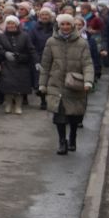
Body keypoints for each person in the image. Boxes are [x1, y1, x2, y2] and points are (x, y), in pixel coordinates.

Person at [40, 13, 95, 154]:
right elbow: (45, 64)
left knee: (74, 116)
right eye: (62, 24)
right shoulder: (51, 42)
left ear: (72, 26)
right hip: (56, 83)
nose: (65, 27)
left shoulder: (82, 43)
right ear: (58, 26)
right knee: (59, 116)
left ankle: (72, 136)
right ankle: (62, 141)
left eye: (68, 24)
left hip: (75, 84)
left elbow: (87, 64)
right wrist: (42, 84)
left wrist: (88, 80)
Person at [0, 15, 35, 114]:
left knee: (20, 87)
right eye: (8, 23)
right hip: (7, 64)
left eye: (13, 23)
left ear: (17, 24)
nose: (11, 25)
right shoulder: (1, 36)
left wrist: (22, 57)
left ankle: (18, 105)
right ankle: (8, 104)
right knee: (8, 86)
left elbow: (30, 50)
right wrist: (4, 53)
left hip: (21, 64)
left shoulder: (25, 36)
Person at [24, 5, 56, 111]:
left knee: (50, 80)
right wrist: (35, 57)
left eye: (47, 14)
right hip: (38, 56)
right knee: (40, 80)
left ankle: (49, 99)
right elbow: (30, 43)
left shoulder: (55, 28)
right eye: (42, 14)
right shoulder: (34, 29)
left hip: (52, 57)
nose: (44, 16)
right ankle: (43, 101)